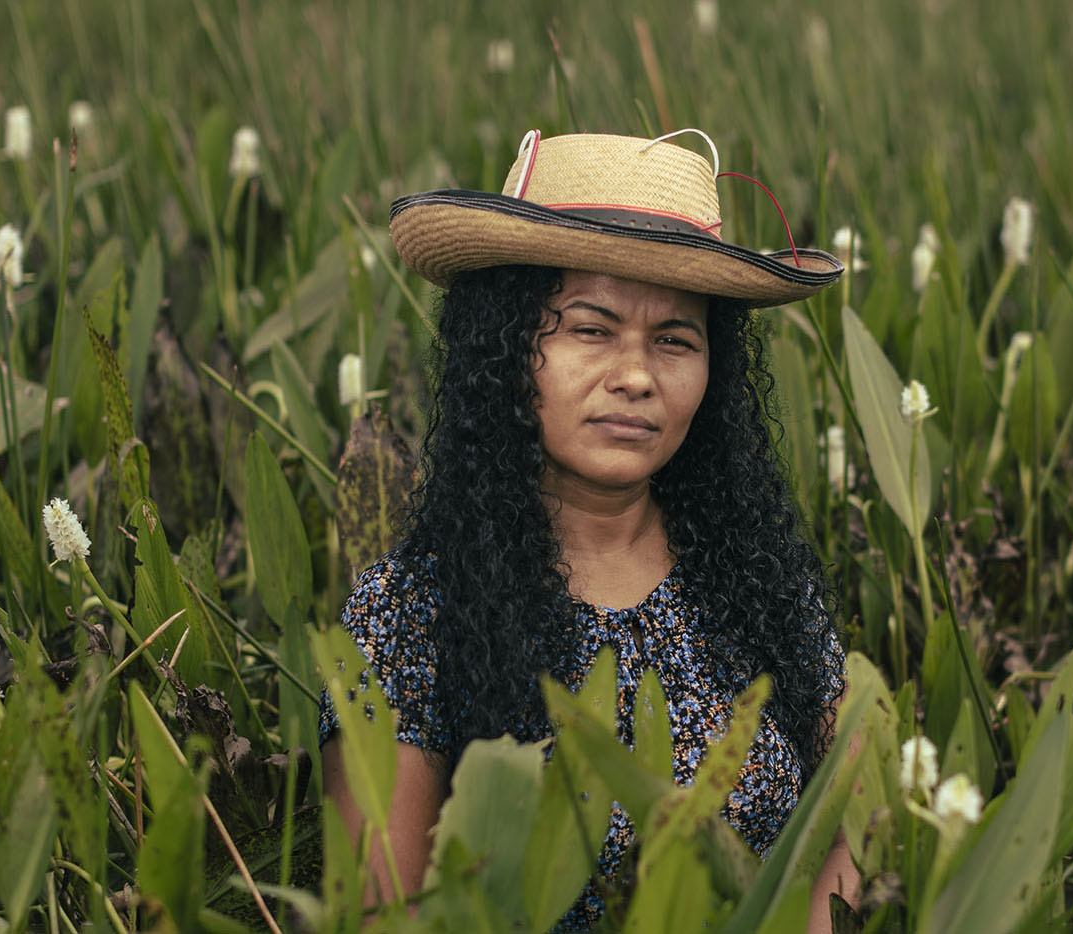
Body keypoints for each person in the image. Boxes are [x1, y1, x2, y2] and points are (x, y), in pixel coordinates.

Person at [319, 129, 858, 931]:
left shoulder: (763, 582)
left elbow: (854, 825)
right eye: (590, 329)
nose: (637, 376)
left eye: (676, 339)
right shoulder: (408, 613)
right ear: (503, 347)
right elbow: (379, 910)